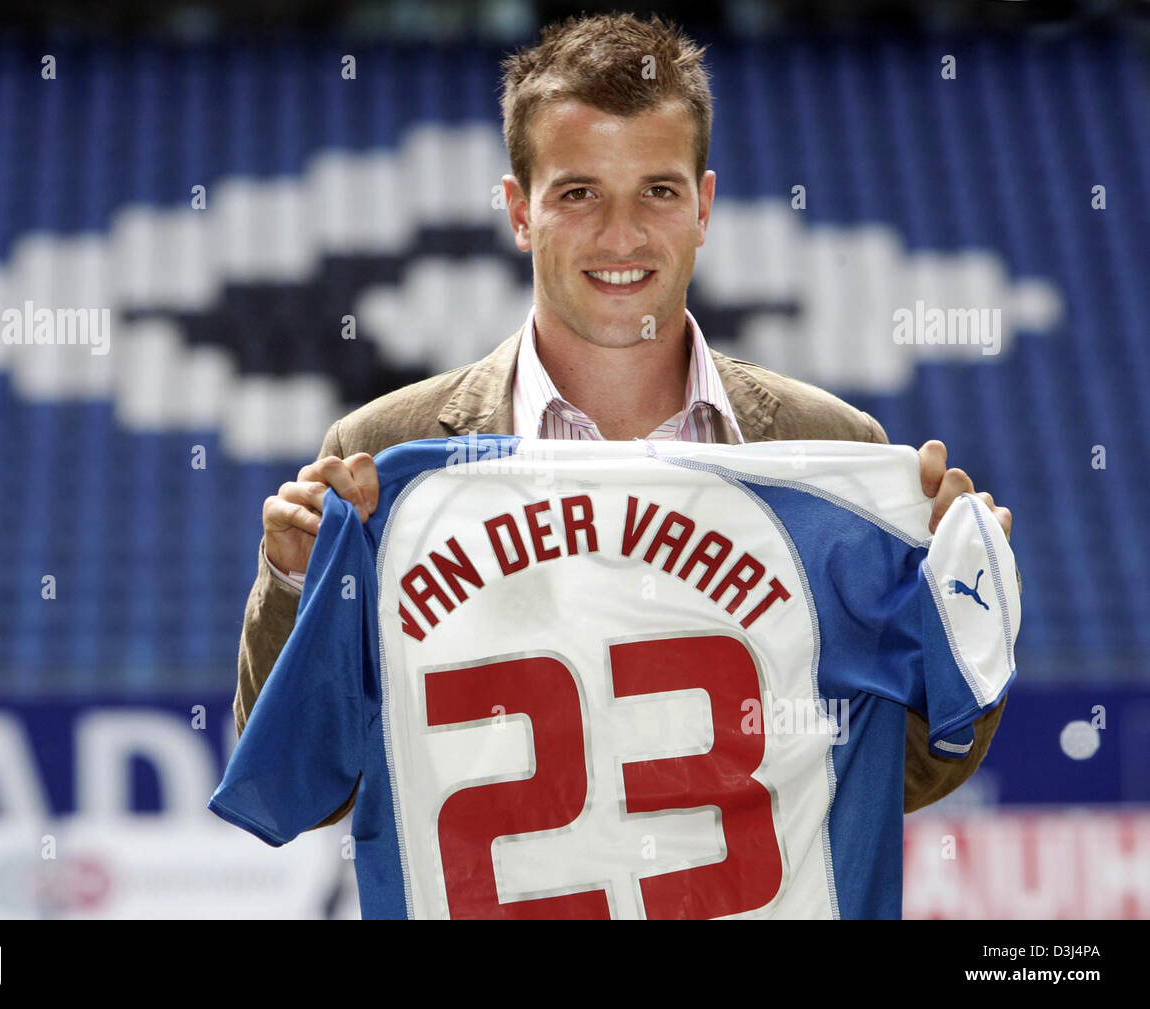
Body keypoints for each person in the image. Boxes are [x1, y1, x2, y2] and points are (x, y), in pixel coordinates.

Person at [235, 12, 1014, 831]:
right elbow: (306, 784)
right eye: (578, 193)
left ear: (704, 207)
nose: (622, 234)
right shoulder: (384, 456)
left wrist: (970, 605)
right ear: (518, 210)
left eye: (659, 191)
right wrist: (291, 585)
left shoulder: (833, 451)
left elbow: (899, 772)